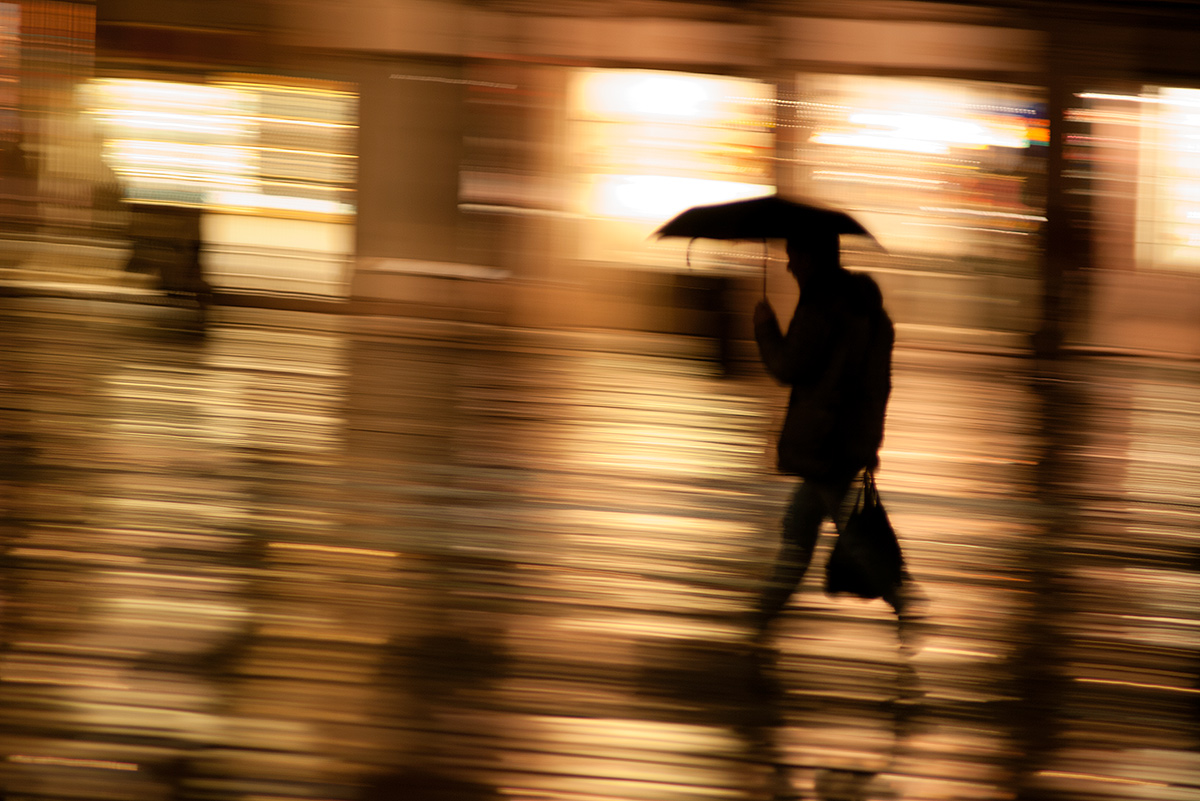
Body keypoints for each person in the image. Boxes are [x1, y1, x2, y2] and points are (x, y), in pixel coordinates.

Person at [750, 232, 908, 641]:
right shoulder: (871, 314)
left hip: (825, 447)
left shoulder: (822, 306)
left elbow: (788, 366)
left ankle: (904, 602)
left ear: (813, 257)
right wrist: (869, 441)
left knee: (845, 538)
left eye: (794, 256)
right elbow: (878, 386)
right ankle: (760, 623)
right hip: (847, 442)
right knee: (800, 529)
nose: (789, 266)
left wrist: (765, 329)